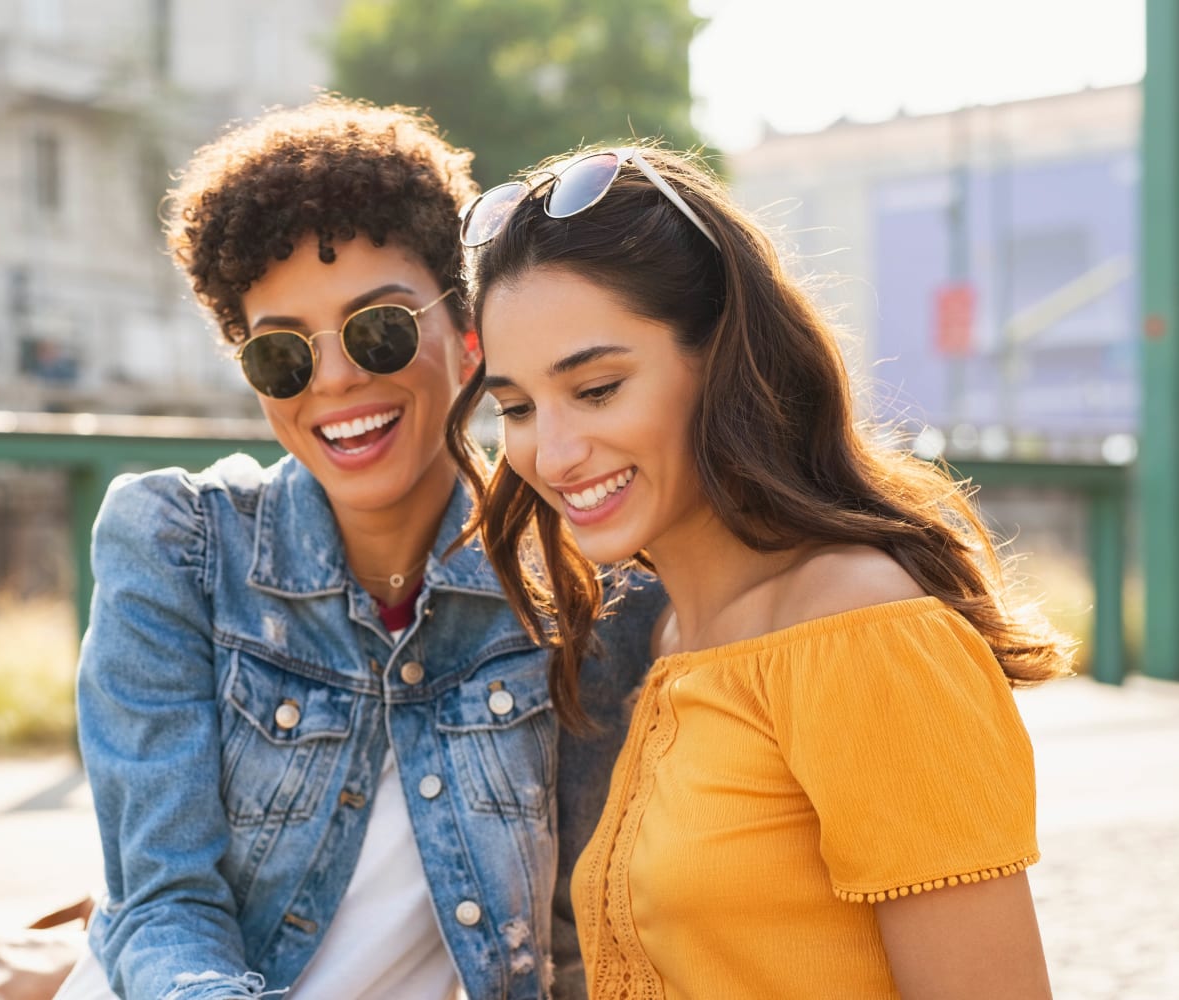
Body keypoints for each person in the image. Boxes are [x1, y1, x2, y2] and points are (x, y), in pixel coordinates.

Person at [55, 99, 661, 1000]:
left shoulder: (582, 585)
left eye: (378, 329)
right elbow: (163, 903)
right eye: (282, 356)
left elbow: (578, 935)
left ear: (468, 335)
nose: (335, 378)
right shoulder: (175, 547)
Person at [450, 141, 1074, 1000]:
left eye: (596, 389)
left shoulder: (863, 632)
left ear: (723, 362)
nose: (550, 452)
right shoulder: (663, 634)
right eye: (516, 407)